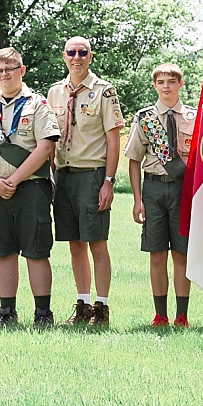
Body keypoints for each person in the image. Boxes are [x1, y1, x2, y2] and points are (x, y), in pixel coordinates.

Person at [0, 48, 61, 328]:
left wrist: (15, 179)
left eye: (10, 69)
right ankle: (7, 313)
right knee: (3, 250)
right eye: (0, 70)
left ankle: (43, 314)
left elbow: (46, 146)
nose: (5, 74)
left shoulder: (37, 104)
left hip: (31, 188)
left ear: (21, 71)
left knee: (36, 250)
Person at [46, 36, 126, 327]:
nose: (76, 57)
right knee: (75, 244)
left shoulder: (104, 92)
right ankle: (83, 305)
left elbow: (113, 139)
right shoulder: (55, 92)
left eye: (82, 52)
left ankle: (101, 309)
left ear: (90, 56)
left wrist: (108, 181)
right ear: (64, 56)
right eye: (71, 52)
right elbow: (48, 138)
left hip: (92, 175)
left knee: (97, 242)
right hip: (63, 175)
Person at [124, 63, 197, 327]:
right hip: (153, 189)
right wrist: (137, 199)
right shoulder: (145, 118)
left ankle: (182, 315)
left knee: (181, 254)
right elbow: (133, 159)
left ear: (180, 84)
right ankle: (160, 314)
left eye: (171, 81)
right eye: (161, 82)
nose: (166, 86)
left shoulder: (194, 117)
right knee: (156, 253)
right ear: (154, 85)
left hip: (182, 191)